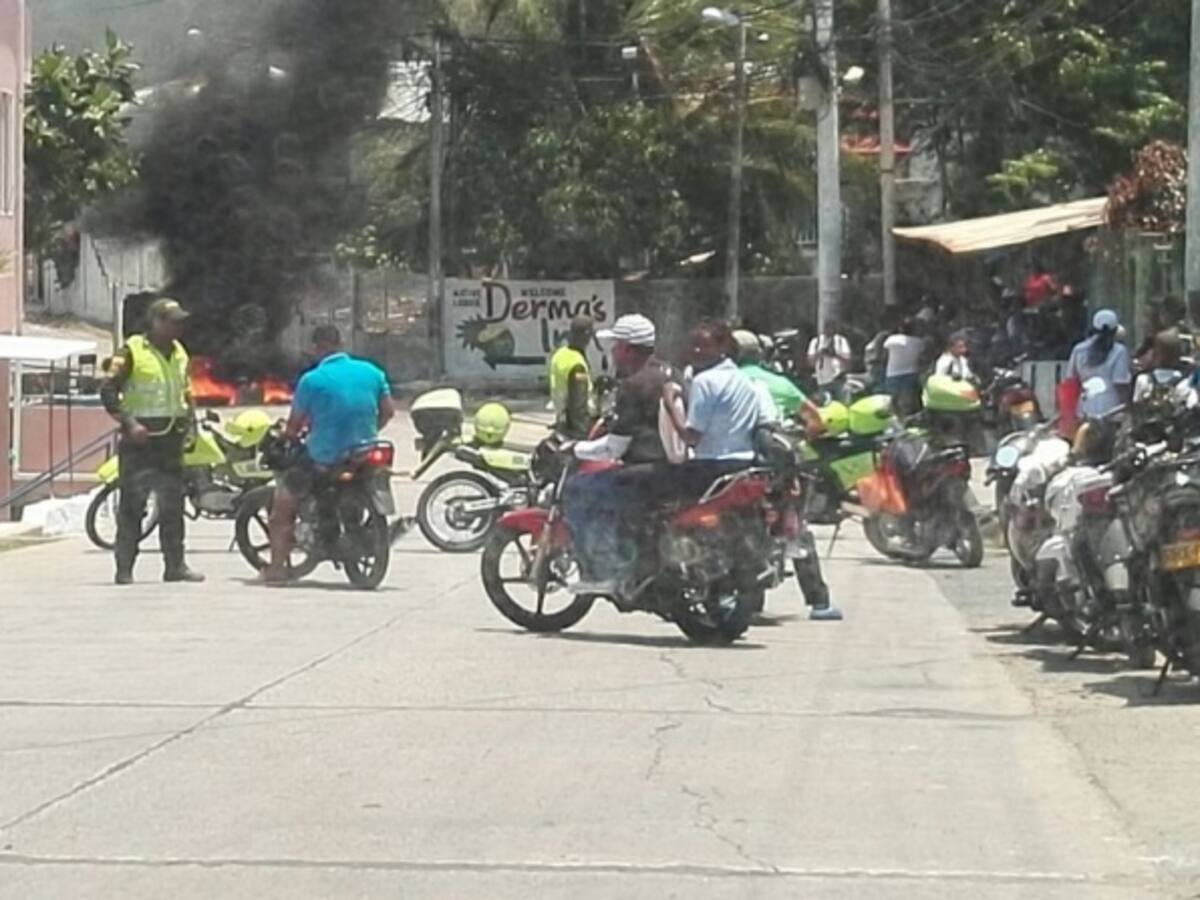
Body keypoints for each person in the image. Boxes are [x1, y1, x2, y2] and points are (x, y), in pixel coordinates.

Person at [259, 325, 396, 584]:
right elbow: (388, 412)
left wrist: (287, 437)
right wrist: (369, 433)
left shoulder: (312, 380)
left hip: (326, 458)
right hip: (365, 452)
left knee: (283, 504)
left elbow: (294, 426)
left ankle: (276, 568)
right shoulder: (372, 372)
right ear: (339, 343)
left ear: (317, 347)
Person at [730, 332, 842, 621]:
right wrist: (804, 437)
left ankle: (748, 599)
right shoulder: (779, 383)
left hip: (735, 468)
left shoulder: (724, 381)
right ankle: (819, 602)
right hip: (779, 468)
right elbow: (815, 419)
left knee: (740, 528)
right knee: (795, 530)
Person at [562, 314, 676, 591]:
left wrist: (575, 449)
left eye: (615, 346)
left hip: (647, 470)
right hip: (677, 469)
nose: (612, 352)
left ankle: (602, 571)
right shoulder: (673, 373)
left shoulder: (634, 385)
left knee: (578, 490)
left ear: (626, 348)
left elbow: (615, 447)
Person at [100, 298, 205, 585]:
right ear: (156, 322)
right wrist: (129, 423)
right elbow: (108, 390)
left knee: (173, 505)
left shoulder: (180, 352)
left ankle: (175, 565)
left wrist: (192, 425)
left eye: (180, 321)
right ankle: (124, 568)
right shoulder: (132, 351)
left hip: (170, 439)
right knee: (133, 505)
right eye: (173, 321)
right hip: (140, 442)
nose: (178, 327)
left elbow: (185, 391)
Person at [1066, 309, 1132, 419]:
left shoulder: (1079, 349)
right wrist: (1128, 407)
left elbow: (1071, 379)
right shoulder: (1119, 351)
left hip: (1084, 408)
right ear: (1115, 330)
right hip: (1112, 409)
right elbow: (1120, 383)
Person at [548, 314, 594, 438]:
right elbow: (578, 403)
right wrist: (583, 433)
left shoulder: (559, 354)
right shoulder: (577, 364)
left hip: (561, 420)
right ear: (587, 335)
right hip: (573, 427)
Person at [883, 318, 925, 415]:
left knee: (893, 401)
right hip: (911, 373)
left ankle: (895, 420)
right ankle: (907, 419)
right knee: (908, 402)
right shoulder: (919, 342)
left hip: (893, 373)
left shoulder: (892, 340)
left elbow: (885, 351)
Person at [806, 319, 852, 393]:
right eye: (828, 327)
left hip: (839, 381)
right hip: (822, 381)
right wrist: (820, 353)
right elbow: (810, 363)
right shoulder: (816, 342)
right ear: (824, 329)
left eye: (833, 328)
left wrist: (835, 355)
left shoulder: (841, 341)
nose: (830, 330)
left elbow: (848, 364)